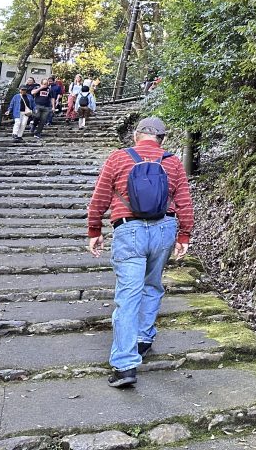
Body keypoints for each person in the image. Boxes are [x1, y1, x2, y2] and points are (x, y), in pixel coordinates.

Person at [86, 116, 194, 388]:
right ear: (162, 139)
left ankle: (125, 366)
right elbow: (184, 201)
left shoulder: (118, 158)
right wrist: (185, 235)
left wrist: (94, 230)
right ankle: (143, 339)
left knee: (128, 294)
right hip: (163, 230)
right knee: (152, 285)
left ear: (136, 136)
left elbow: (99, 197)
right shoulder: (172, 162)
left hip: (128, 229)